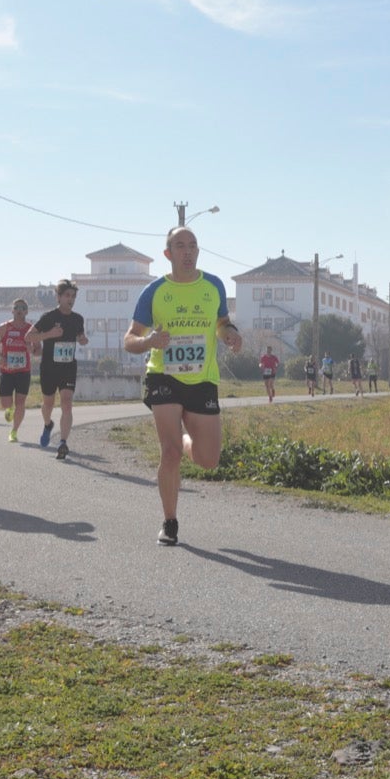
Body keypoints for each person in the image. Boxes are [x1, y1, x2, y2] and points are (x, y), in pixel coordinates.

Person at [123, 225, 243, 546]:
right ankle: (170, 521)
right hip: (164, 377)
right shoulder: (154, 292)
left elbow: (220, 323)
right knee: (170, 452)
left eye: (192, 245)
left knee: (208, 460)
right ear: (168, 254)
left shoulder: (213, 286)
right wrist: (149, 340)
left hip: (203, 379)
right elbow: (129, 340)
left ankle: (188, 439)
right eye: (180, 245)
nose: (187, 251)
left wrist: (229, 334)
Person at [31, 279, 89, 460]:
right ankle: (48, 424)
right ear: (59, 297)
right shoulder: (49, 317)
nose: (70, 299)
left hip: (68, 366)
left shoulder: (78, 318)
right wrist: (48, 334)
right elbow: (29, 336)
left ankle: (63, 442)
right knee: (48, 404)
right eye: (67, 296)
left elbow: (80, 335)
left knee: (66, 402)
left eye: (73, 296)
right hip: (49, 367)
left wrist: (82, 339)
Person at [0, 298, 34, 442]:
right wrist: (0, 357)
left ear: (27, 311)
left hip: (24, 371)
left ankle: (14, 431)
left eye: (23, 308)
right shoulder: (4, 327)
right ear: (12, 310)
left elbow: (37, 349)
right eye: (17, 307)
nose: (19, 310)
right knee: (5, 402)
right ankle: (8, 409)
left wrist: (32, 349)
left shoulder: (31, 329)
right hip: (7, 370)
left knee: (20, 403)